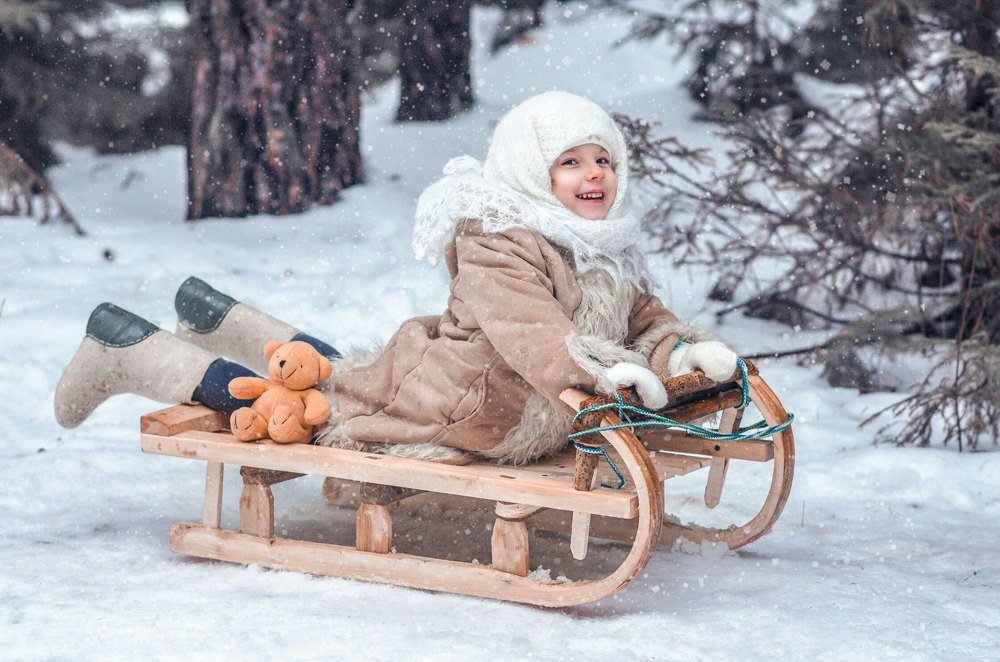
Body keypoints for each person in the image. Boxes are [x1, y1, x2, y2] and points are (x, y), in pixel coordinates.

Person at [55, 91, 738, 465]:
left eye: (604, 160)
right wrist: (605, 371)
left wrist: (678, 352)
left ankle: (220, 320)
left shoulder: (600, 247)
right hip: (458, 407)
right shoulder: (499, 240)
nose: (595, 175)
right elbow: (533, 333)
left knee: (349, 380)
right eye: (571, 162)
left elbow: (642, 316)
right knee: (307, 416)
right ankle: (133, 349)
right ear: (531, 170)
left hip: (483, 398)